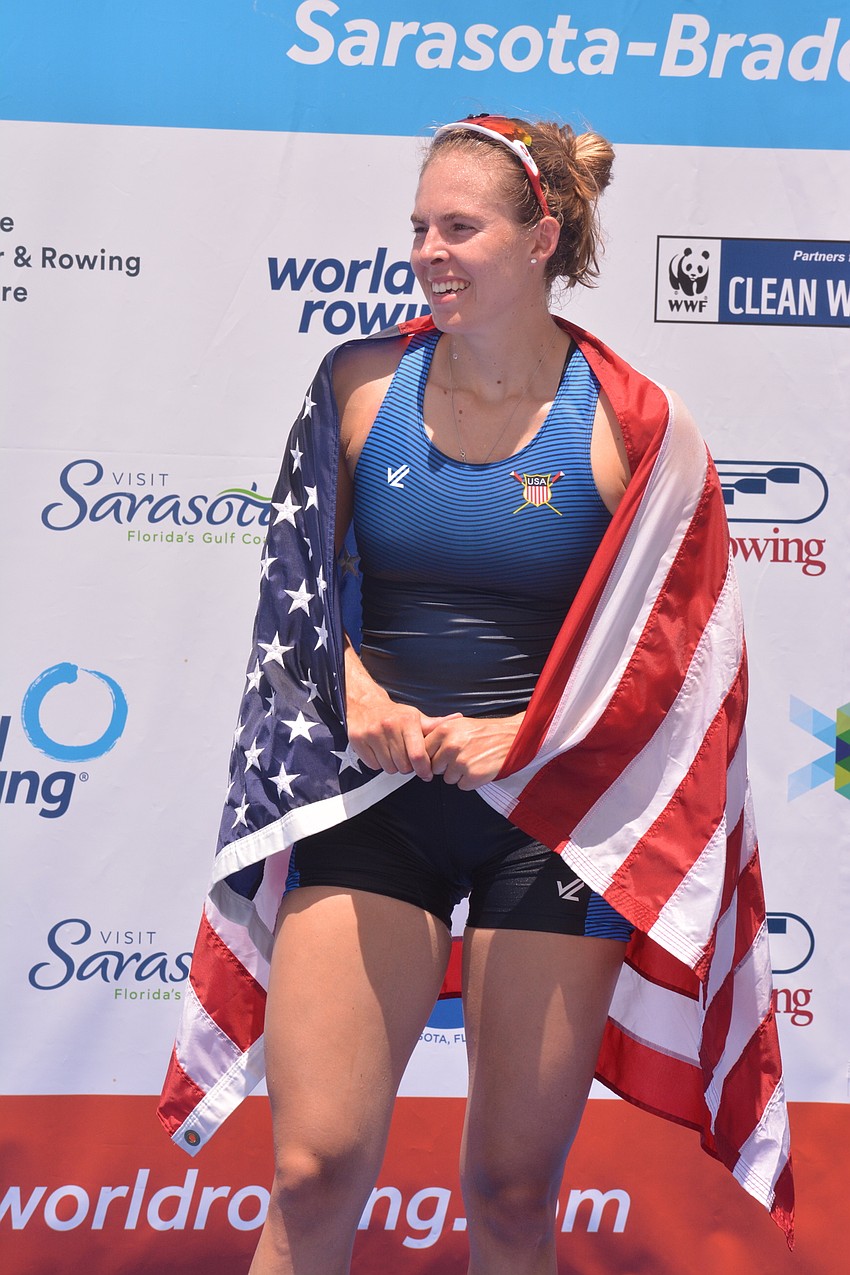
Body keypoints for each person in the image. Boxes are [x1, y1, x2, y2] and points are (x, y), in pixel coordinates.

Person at [157, 113, 793, 1269]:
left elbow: (685, 670)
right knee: (311, 1169)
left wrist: (526, 738)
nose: (429, 253)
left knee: (506, 1192)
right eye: (418, 229)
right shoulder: (355, 387)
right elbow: (294, 593)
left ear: (542, 235)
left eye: (460, 228)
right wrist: (349, 690)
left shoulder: (639, 428)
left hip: (549, 827)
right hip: (373, 805)